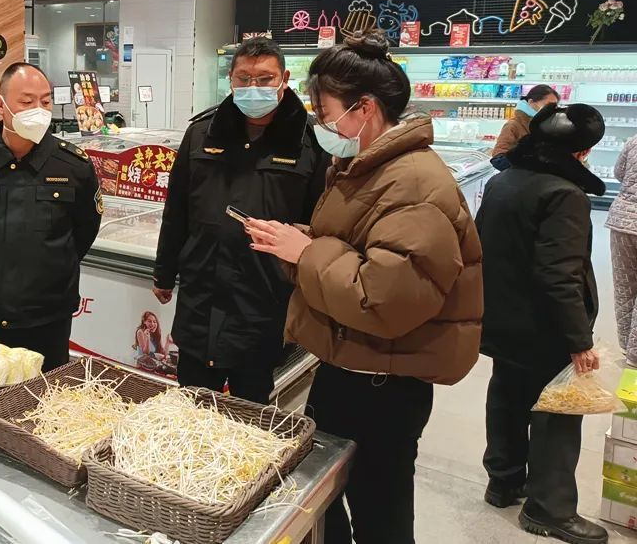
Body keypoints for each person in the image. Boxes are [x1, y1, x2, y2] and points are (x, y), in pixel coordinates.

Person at [246, 31, 483, 544]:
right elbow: (354, 247)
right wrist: (295, 242)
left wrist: (306, 253)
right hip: (351, 365)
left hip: (382, 385)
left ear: (365, 109)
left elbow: (385, 299)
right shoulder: (365, 168)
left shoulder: (413, 182)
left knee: (380, 515)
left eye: (325, 112)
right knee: (324, 501)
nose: (321, 125)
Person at [153, 36, 328, 405]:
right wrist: (164, 273)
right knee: (191, 409)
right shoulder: (202, 133)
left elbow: (320, 224)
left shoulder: (311, 142)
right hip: (202, 293)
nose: (253, 87)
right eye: (244, 79)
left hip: (264, 298)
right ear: (230, 80)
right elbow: (177, 209)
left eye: (264, 79)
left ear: (284, 80)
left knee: (250, 411)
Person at [476, 103, 608, 544]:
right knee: (558, 412)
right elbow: (559, 274)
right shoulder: (565, 194)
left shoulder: (502, 181)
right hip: (544, 327)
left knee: (507, 396)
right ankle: (549, 508)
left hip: (502, 318)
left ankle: (503, 481)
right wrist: (579, 339)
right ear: (581, 153)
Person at [0, 62, 102, 372]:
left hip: (49, 317)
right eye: (27, 102)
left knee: (47, 393)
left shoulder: (73, 165)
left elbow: (83, 232)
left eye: (46, 101)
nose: (38, 110)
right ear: (1, 105)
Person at [610, 134, 637, 365]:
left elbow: (619, 173)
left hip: (622, 221)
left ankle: (626, 345)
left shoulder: (634, 140)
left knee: (624, 287)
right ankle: (635, 357)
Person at [491, 84, 560, 164]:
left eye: (554, 107)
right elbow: (499, 156)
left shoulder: (549, 125)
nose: (551, 110)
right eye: (547, 106)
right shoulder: (513, 125)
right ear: (531, 102)